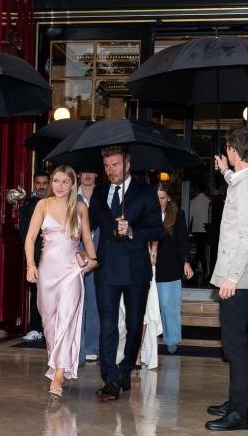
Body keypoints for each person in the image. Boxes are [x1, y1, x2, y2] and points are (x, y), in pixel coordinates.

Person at [204, 127, 248, 432]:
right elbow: (237, 183)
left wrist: (232, 277)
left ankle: (241, 414)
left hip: (238, 279)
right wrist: (225, 172)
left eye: (228, 149)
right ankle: (237, 402)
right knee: (236, 345)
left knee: (236, 347)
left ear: (233, 149)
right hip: (241, 278)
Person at [89, 146, 162, 401]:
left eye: (116, 165)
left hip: (136, 270)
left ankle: (125, 369)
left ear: (127, 165)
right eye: (107, 166)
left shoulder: (145, 192)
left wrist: (131, 231)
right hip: (107, 268)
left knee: (133, 325)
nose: (110, 170)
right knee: (108, 325)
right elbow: (89, 225)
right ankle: (110, 378)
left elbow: (157, 229)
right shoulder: (99, 192)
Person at [24, 166, 98, 398]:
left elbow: (87, 238)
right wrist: (30, 265)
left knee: (67, 319)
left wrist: (93, 259)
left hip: (71, 272)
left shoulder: (80, 207)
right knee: (50, 323)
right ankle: (57, 362)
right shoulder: (42, 205)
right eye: (56, 181)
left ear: (73, 184)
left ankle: (58, 373)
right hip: (47, 272)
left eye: (65, 181)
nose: (59, 185)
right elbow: (30, 238)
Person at [154, 182, 194, 354]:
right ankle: (150, 339)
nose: (159, 201)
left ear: (169, 198)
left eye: (162, 198)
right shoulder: (147, 214)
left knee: (169, 305)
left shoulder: (177, 215)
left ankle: (172, 339)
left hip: (170, 266)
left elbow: (183, 240)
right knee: (151, 307)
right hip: (150, 266)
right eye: (156, 198)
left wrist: (186, 261)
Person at [19, 171, 50, 342]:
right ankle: (35, 328)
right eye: (38, 183)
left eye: (45, 183)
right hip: (35, 256)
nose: (41, 186)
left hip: (54, 256)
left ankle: (50, 328)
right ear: (34, 184)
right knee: (36, 293)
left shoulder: (55, 203)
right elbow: (25, 233)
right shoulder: (28, 206)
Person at [77, 169, 101, 364]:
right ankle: (77, 349)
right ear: (78, 175)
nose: (87, 175)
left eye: (91, 172)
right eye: (84, 172)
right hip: (74, 254)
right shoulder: (69, 196)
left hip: (98, 256)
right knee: (75, 303)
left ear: (96, 174)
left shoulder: (103, 196)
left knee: (94, 303)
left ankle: (92, 346)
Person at [189, 183, 211, 279]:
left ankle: (192, 271)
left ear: (197, 190)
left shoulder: (193, 201)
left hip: (196, 229)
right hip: (206, 230)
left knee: (200, 251)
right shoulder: (208, 201)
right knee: (201, 251)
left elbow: (189, 217)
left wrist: (187, 230)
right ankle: (205, 272)